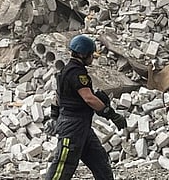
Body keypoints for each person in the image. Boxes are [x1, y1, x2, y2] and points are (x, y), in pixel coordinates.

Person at [43, 35, 127, 180]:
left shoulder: (65, 71)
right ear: (83, 55)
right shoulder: (77, 73)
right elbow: (89, 98)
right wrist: (112, 115)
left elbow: (58, 97)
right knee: (63, 166)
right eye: (91, 55)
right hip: (72, 127)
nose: (92, 58)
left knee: (100, 163)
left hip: (82, 127)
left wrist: (54, 117)